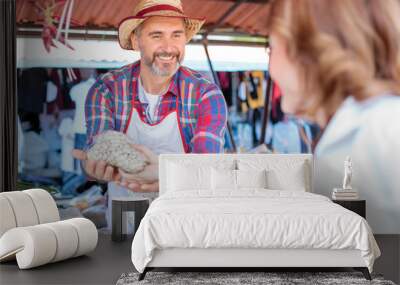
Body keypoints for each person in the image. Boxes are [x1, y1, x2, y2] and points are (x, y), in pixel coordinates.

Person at [72, 0, 227, 228]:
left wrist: (163, 175)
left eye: (176, 35)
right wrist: (94, 167)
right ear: (136, 40)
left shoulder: (206, 94)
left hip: (185, 221)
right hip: (125, 219)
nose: (168, 47)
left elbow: (207, 169)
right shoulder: (107, 89)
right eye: (157, 35)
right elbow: (97, 151)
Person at [266, 0, 400, 234]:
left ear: (309, 49)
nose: (270, 67)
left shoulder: (383, 129)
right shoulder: (369, 126)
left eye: (272, 48)